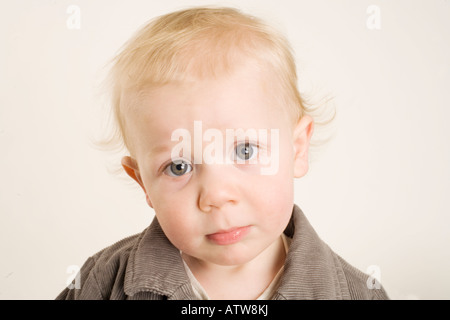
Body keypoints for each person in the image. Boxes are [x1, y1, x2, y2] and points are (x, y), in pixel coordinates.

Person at [56, 6, 389, 300]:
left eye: (245, 151)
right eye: (178, 166)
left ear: (297, 149)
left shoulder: (356, 293)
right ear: (143, 183)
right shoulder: (102, 282)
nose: (216, 196)